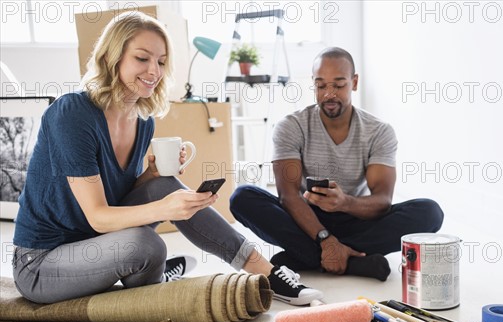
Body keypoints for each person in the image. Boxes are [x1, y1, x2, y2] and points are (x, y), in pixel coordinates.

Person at [11, 11, 322, 306]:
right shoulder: (73, 113)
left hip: (97, 242)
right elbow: (98, 216)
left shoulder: (142, 121)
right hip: (42, 262)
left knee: (165, 184)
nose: (154, 71)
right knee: (147, 246)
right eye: (142, 58)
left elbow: (121, 194)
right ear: (111, 57)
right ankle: (154, 274)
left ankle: (265, 272)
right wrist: (165, 208)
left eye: (161, 61)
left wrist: (154, 173)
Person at [230, 47, 444, 281]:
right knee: (242, 197)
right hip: (306, 220)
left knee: (430, 212)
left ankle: (307, 258)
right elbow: (288, 196)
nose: (329, 94)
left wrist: (344, 203)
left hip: (357, 217)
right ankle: (352, 261)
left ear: (354, 82)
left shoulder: (379, 131)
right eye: (321, 86)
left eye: (339, 85)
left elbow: (382, 201)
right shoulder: (290, 126)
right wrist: (325, 239)